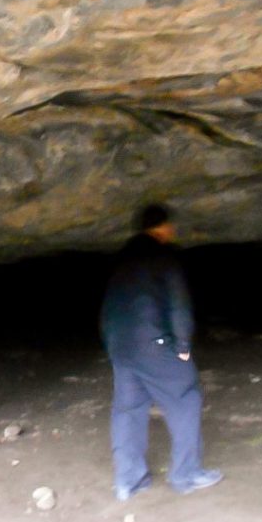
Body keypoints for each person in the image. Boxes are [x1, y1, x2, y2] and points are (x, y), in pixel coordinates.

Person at [99, 204, 223, 501]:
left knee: (128, 410)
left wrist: (112, 344)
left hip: (121, 346)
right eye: (171, 226)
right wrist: (182, 347)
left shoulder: (121, 259)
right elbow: (179, 305)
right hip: (154, 344)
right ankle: (186, 475)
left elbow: (108, 308)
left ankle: (129, 481)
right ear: (164, 227)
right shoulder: (164, 257)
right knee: (185, 398)